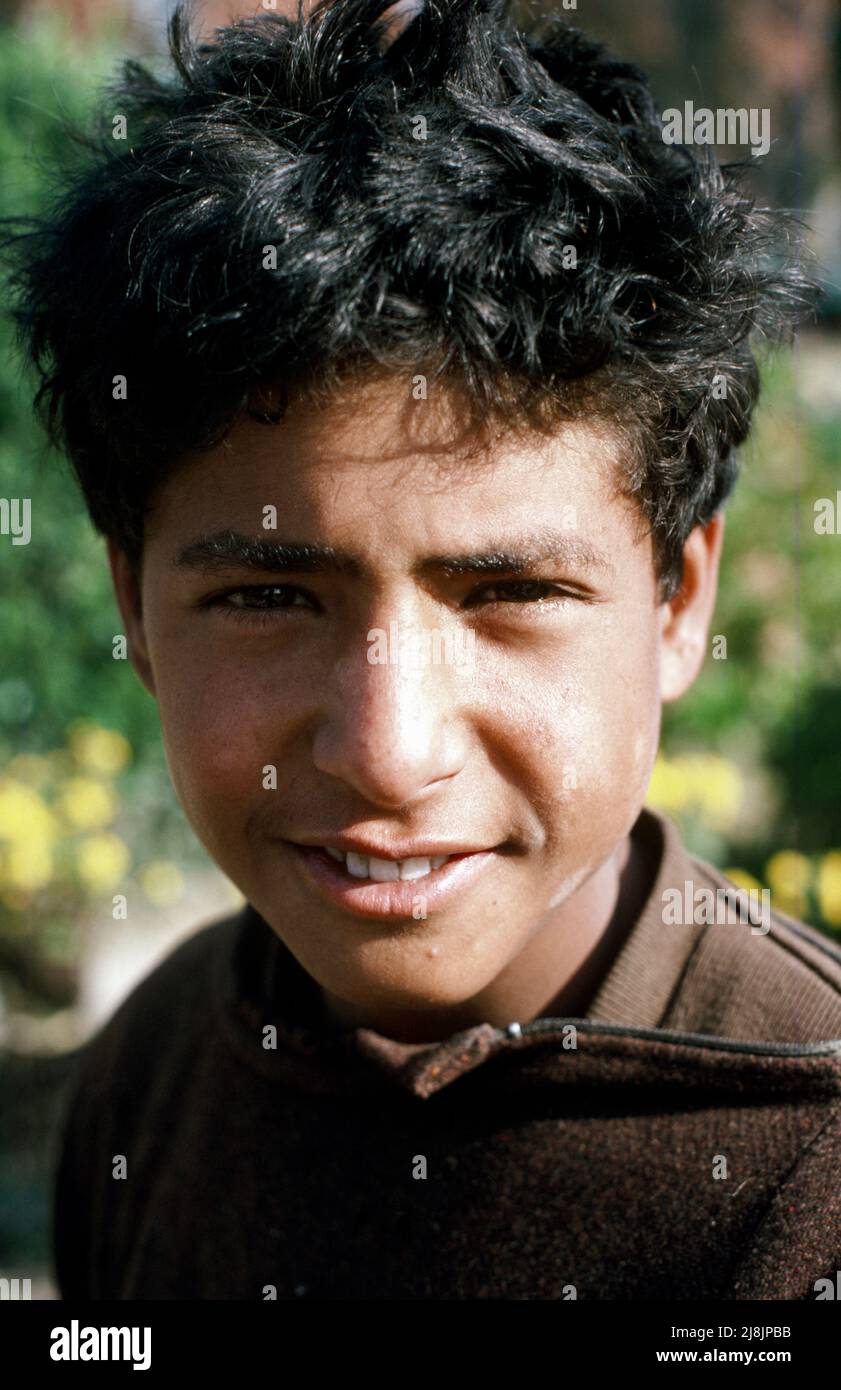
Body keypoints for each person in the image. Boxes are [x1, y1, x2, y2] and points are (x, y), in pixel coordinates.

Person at [7, 0, 840, 1299]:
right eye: (270, 597)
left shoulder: (809, 1191)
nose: (388, 754)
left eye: (508, 591)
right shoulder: (156, 1074)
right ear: (135, 605)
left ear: (677, 600)